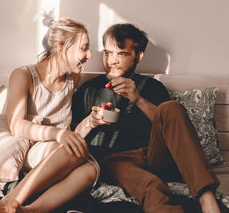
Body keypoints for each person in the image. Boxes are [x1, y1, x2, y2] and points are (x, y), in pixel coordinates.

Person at [71, 23, 221, 213]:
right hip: (116, 160)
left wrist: (138, 99)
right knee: (151, 186)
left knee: (172, 108)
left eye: (121, 54)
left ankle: (207, 199)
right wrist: (90, 121)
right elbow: (72, 135)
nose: (112, 61)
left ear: (138, 56)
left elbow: (170, 127)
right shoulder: (88, 90)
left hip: (155, 154)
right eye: (108, 53)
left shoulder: (151, 86)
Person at [0, 12, 99, 213]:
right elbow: (16, 125)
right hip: (32, 148)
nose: (89, 56)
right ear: (60, 48)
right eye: (84, 48)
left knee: (90, 170)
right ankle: (9, 200)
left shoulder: (74, 77)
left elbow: (67, 128)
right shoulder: (23, 75)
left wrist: (91, 121)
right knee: (73, 149)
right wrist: (58, 134)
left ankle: (30, 210)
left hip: (60, 150)